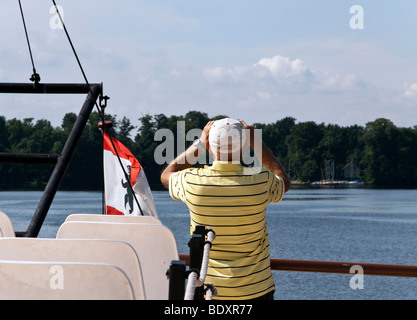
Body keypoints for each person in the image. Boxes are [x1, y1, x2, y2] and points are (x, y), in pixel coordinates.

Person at [160, 118, 290, 300]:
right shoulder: (261, 180)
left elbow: (167, 174)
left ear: (210, 147)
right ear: (245, 147)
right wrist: (257, 143)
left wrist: (199, 142)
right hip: (256, 290)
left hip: (209, 291)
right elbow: (284, 181)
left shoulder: (193, 181)